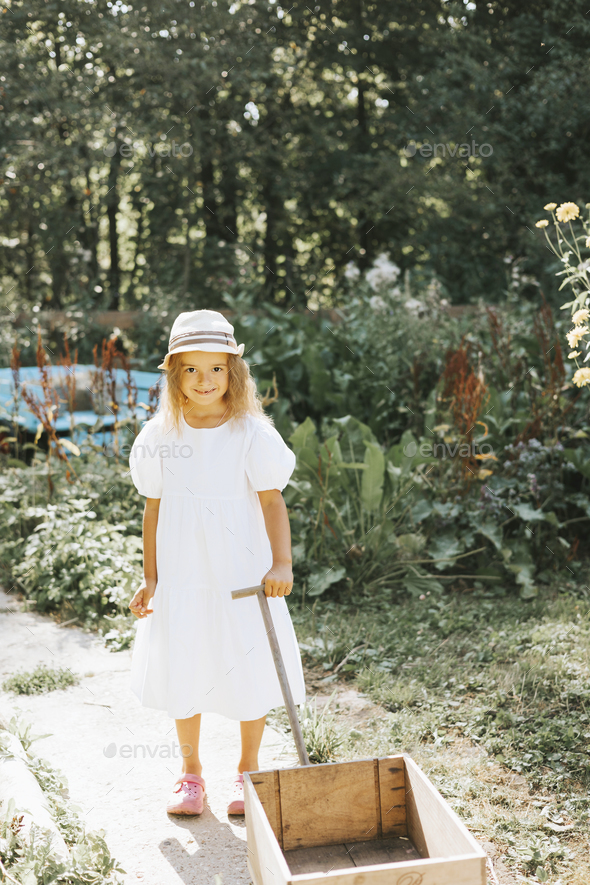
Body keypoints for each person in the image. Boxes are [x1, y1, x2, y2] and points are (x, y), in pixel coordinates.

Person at [127, 309, 306, 817]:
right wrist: (151, 579)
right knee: (187, 664)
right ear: (174, 375)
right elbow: (154, 509)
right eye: (191, 370)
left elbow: (272, 502)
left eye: (216, 369)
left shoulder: (251, 433)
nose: (204, 381)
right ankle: (190, 773)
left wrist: (282, 563)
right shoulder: (161, 436)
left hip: (242, 573)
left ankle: (247, 767)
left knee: (248, 663)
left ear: (234, 373)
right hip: (184, 573)